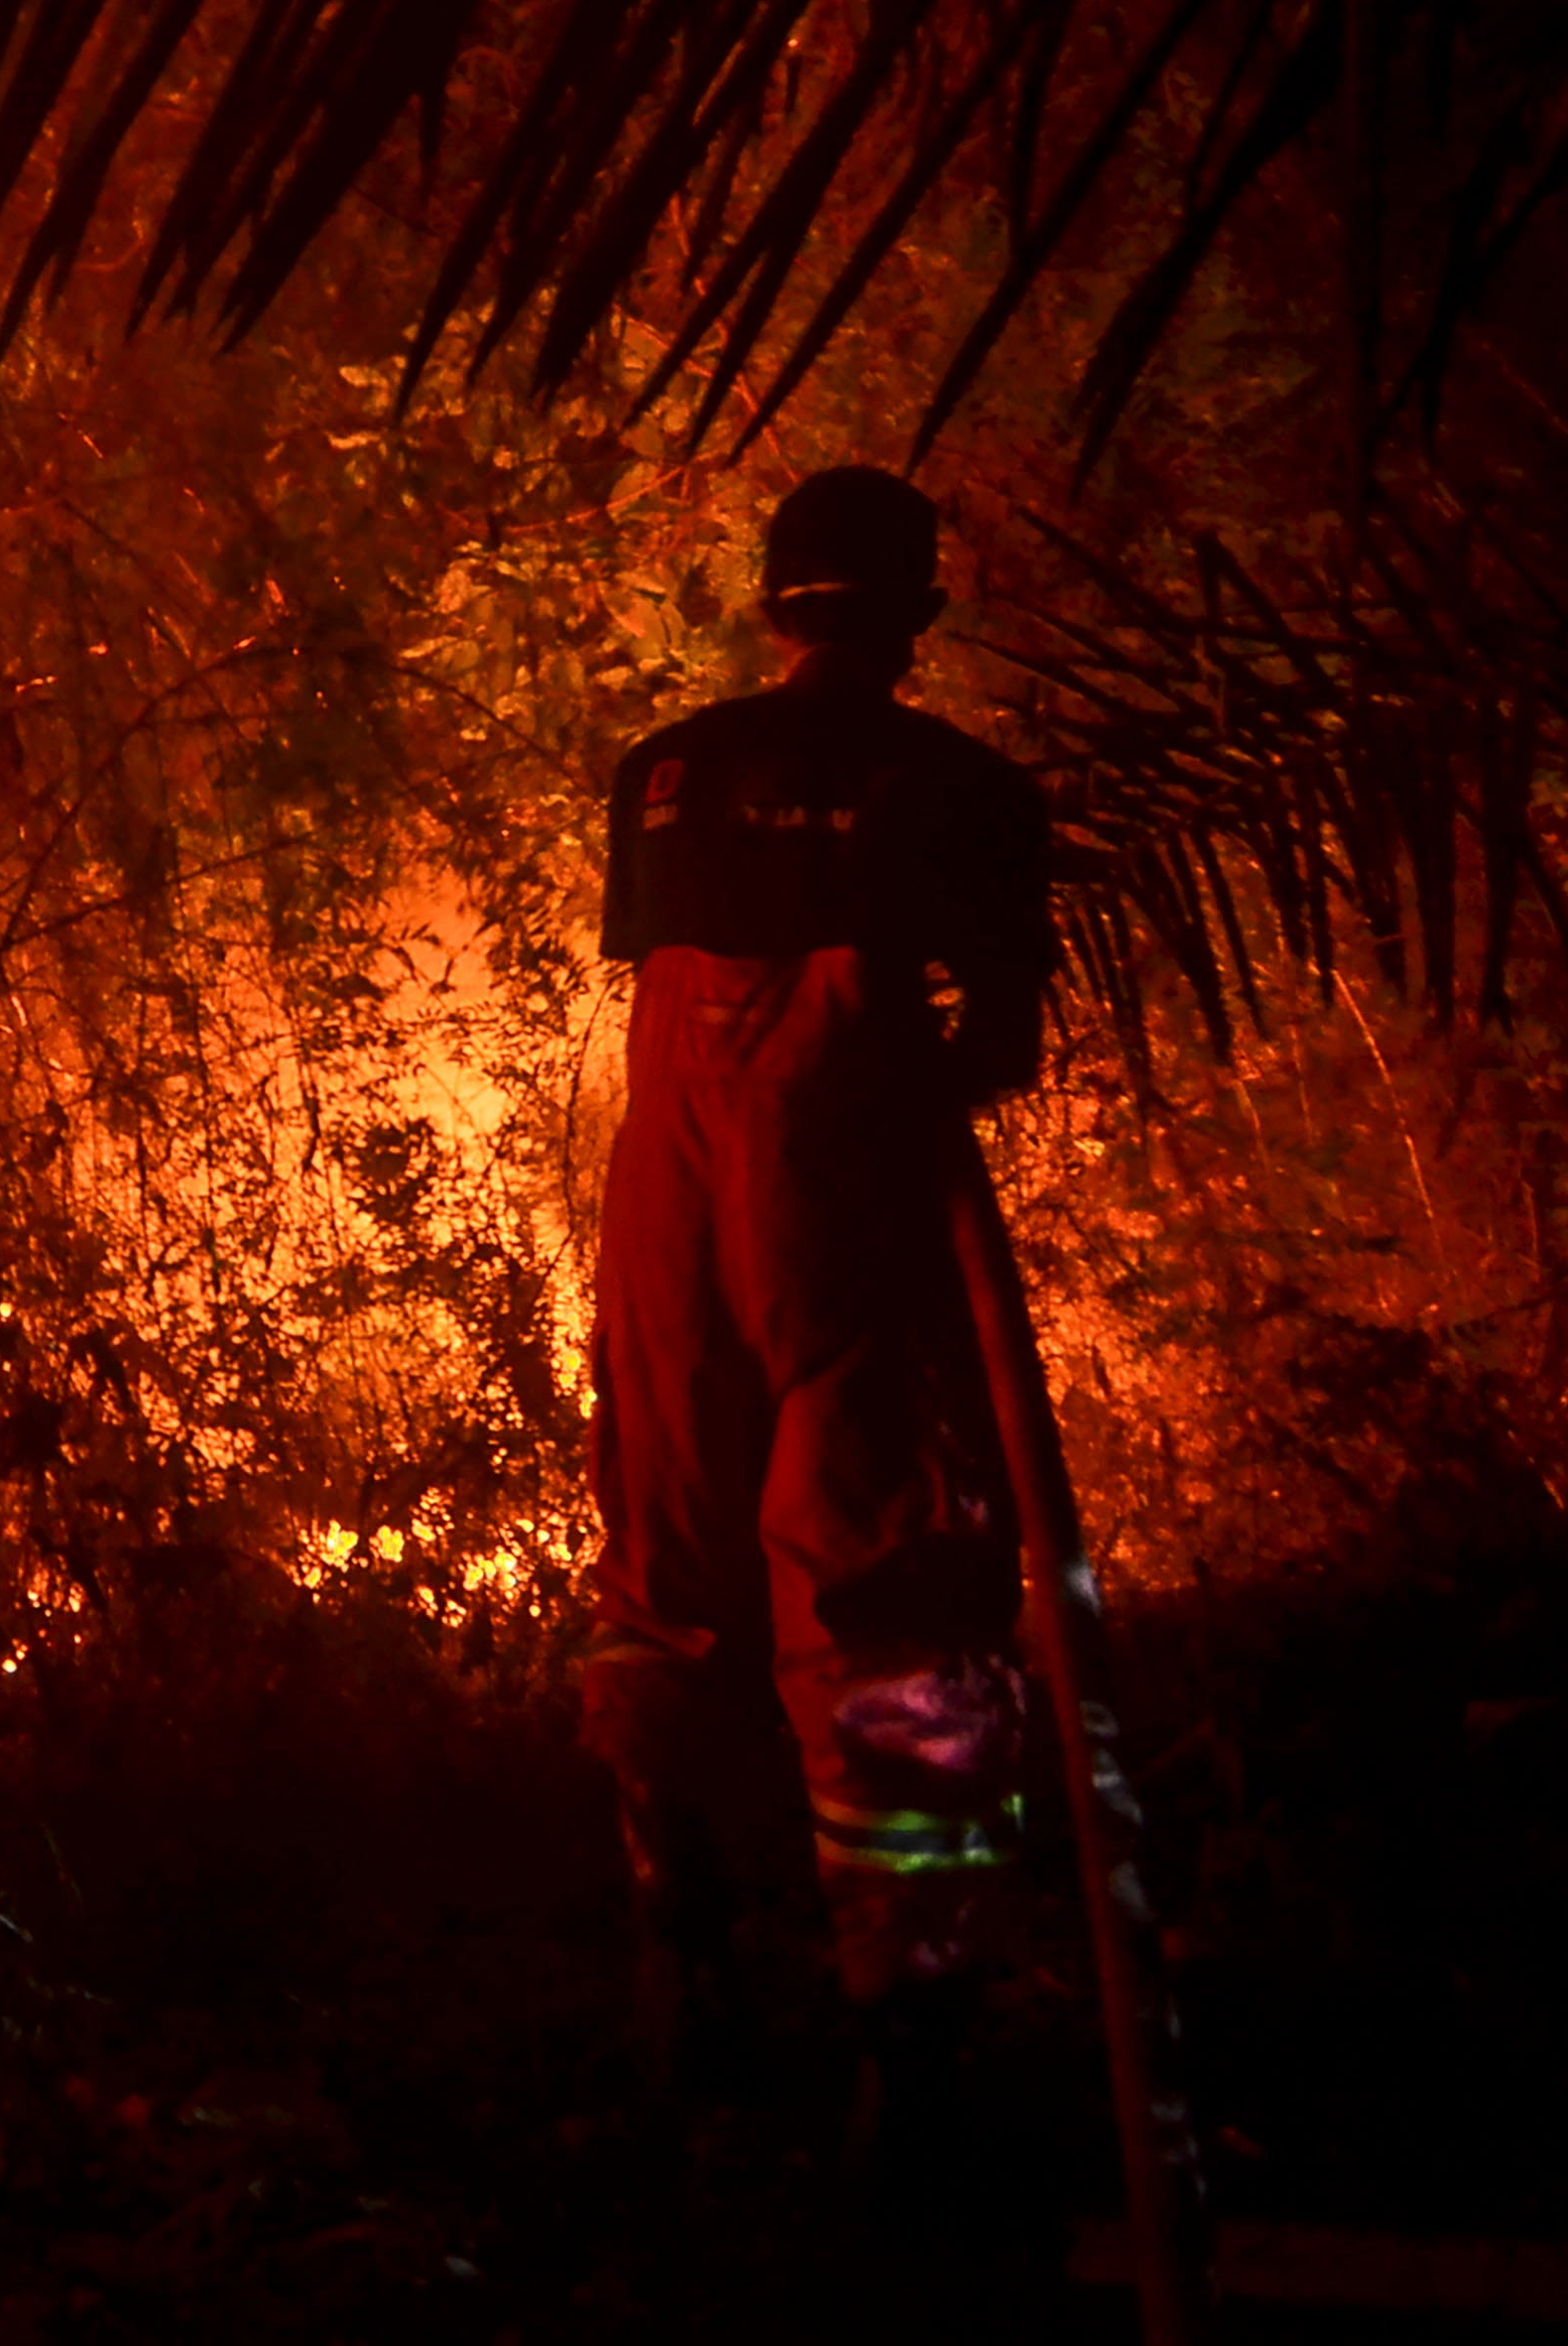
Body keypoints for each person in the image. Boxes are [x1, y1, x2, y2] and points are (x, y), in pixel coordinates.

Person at [580, 465, 1058, 2073]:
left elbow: (668, 981)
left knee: (662, 1566)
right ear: (919, 616)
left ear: (776, 606)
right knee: (893, 1582)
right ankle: (918, 2033)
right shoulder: (971, 793)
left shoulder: (659, 774)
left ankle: (680, 1965)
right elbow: (996, 1048)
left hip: (661, 1205)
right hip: (843, 1196)